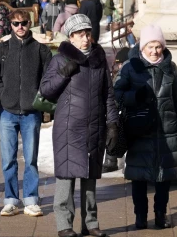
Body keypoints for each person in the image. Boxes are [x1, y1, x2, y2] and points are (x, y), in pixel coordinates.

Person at [40, 14, 118, 237]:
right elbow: (46, 90)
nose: (85, 38)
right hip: (68, 128)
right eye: (80, 34)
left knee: (90, 177)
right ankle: (64, 224)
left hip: (94, 127)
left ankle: (90, 223)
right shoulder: (59, 60)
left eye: (88, 34)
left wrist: (112, 122)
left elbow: (108, 94)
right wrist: (64, 74)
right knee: (66, 177)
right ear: (71, 37)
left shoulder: (98, 60)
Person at [113, 24, 177, 230]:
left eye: (158, 47)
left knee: (163, 177)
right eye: (150, 46)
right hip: (139, 129)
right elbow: (116, 95)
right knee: (138, 177)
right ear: (142, 47)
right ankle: (140, 216)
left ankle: (160, 214)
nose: (155, 51)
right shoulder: (130, 67)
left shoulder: (170, 67)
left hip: (166, 130)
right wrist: (133, 97)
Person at [0, 10, 52, 218]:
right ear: (10, 25)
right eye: (16, 23)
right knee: (8, 159)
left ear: (30, 23)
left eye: (24, 23)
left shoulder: (41, 50)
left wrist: (38, 100)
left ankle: (32, 200)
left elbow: (48, 79)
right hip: (7, 111)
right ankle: (10, 200)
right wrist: (3, 95)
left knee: (31, 158)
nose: (20, 27)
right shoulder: (1, 50)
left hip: (30, 112)